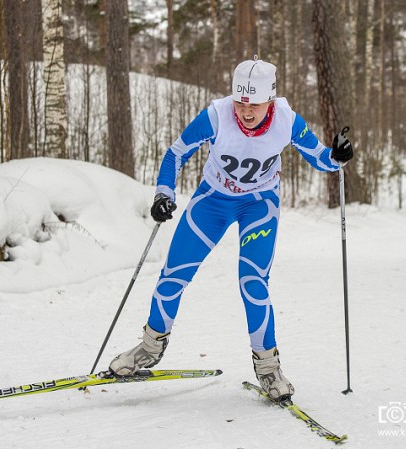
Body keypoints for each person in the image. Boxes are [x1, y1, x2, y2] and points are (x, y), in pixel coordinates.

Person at [108, 57, 353, 402]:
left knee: (253, 282)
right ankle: (150, 347)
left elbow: (320, 158)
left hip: (259, 205)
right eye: (240, 101)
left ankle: (268, 368)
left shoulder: (286, 120)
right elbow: (176, 154)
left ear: (270, 98)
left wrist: (339, 155)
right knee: (172, 275)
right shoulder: (216, 114)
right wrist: (164, 192)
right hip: (213, 201)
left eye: (253, 103)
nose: (246, 110)